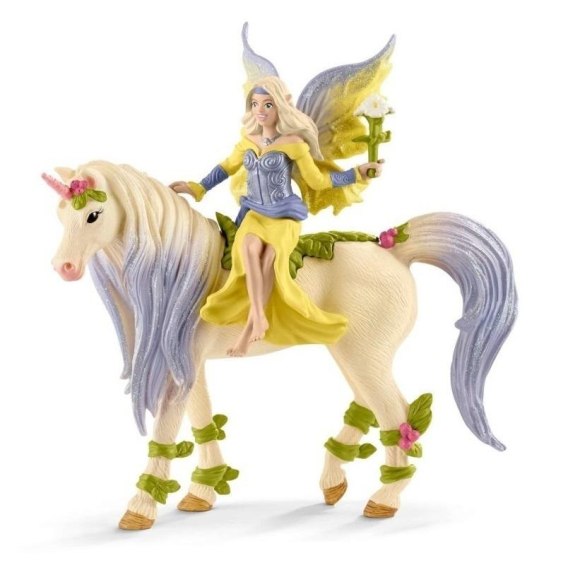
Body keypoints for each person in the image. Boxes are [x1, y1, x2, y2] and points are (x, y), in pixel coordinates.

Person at [170, 76, 382, 356]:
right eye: (255, 104)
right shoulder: (248, 141)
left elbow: (317, 181)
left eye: (268, 104)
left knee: (270, 256)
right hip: (254, 212)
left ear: (280, 106)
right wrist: (198, 187)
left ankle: (251, 326)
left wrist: (356, 173)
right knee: (248, 247)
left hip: (283, 214)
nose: (260, 110)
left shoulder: (293, 143)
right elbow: (226, 167)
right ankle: (258, 316)